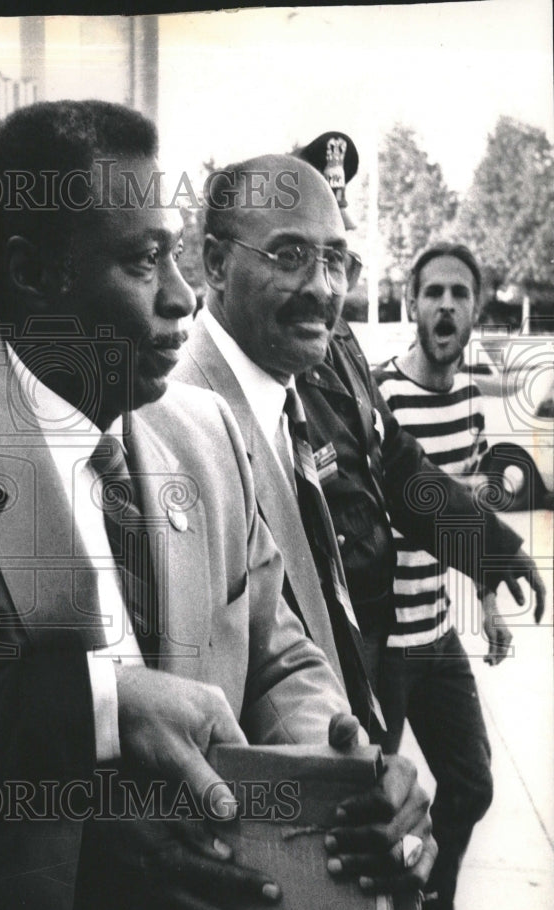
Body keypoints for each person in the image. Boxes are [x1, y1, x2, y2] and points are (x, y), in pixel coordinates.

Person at [0, 100, 434, 910]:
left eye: (175, 255)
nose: (184, 297)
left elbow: (275, 657)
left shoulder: (209, 434)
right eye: (142, 259)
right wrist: (77, 855)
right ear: (32, 274)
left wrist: (346, 772)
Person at [173, 146, 545, 708]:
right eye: (290, 254)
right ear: (217, 264)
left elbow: (395, 462)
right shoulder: (171, 419)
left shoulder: (328, 346)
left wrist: (487, 546)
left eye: (337, 259)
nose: (324, 287)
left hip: (363, 647)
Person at [372, 243, 498, 910]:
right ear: (412, 305)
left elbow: (465, 510)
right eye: (432, 293)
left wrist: (489, 602)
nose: (445, 306)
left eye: (458, 293)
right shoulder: (384, 398)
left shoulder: (474, 401)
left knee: (472, 783)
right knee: (374, 809)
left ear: (474, 308)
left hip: (440, 638)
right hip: (387, 647)